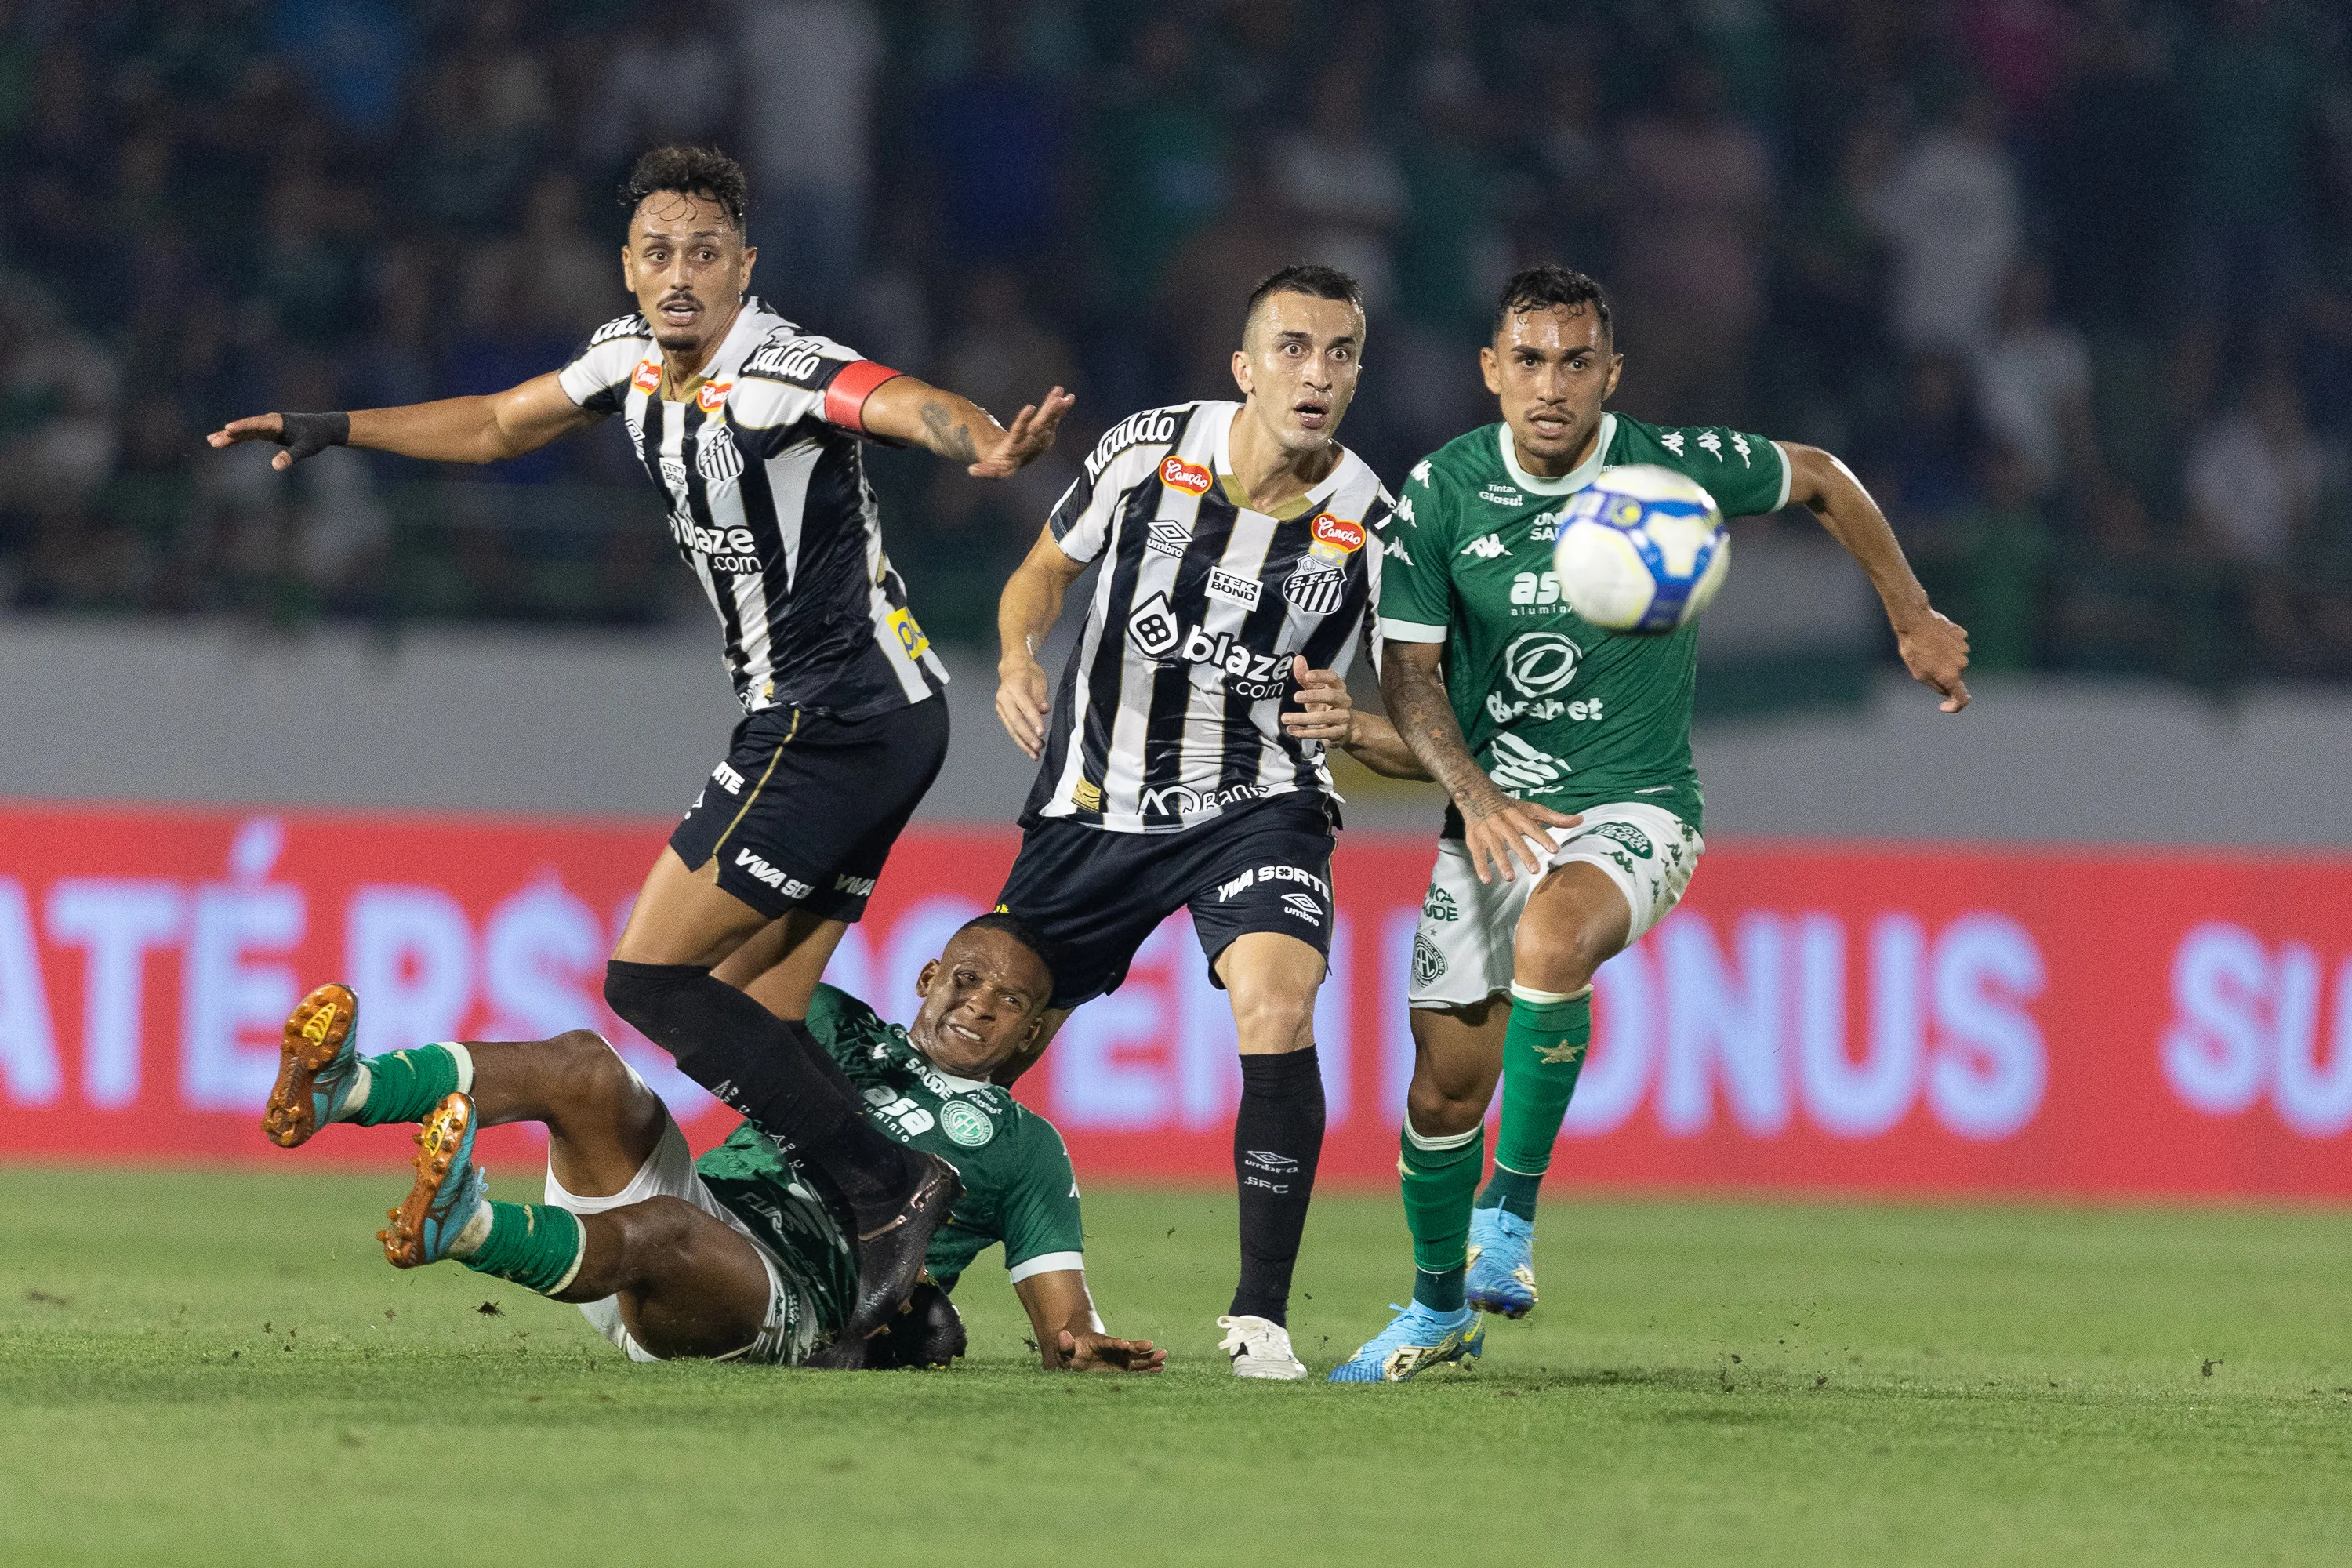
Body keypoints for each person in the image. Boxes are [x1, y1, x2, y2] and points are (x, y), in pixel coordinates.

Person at [210, 146, 1075, 1345]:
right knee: (758, 1012)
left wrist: (979, 438)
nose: (681, 276)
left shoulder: (778, 369)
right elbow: (501, 424)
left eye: (705, 254)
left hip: (834, 717)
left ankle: (886, 1188)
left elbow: (896, 399)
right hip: (878, 719)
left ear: (743, 269)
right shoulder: (624, 359)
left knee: (643, 979)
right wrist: (335, 427)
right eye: (660, 254)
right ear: (629, 267)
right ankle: (867, 1217)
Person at [1330, 265, 1971, 1383]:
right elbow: (1412, 681)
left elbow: (1820, 476)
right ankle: (1437, 1312)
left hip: (1636, 806)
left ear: (1611, 374)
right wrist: (1475, 801)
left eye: (1577, 362)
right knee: (1442, 1089)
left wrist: (1910, 613)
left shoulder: (1666, 468)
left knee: (1554, 939)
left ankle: (1511, 1225)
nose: (1551, 384)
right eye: (1528, 360)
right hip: (1494, 814)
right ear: (1490, 371)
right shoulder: (1439, 496)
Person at [992, 263, 1424, 1381]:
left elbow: (1429, 733)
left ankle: (1259, 1319)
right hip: (1094, 797)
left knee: (1278, 1003)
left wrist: (1360, 724)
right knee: (982, 1046)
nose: (1316, 373)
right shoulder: (1146, 450)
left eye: (1339, 354)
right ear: (1244, 368)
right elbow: (1040, 573)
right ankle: (878, 1265)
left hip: (1259, 803)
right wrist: (1013, 652)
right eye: (1292, 347)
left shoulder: (1376, 522)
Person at [262, 913, 1162, 1374]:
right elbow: (705, 980)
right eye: (965, 978)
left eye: (1008, 1000)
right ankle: (350, 1087)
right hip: (703, 1206)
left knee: (663, 1225)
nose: (978, 1002)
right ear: (928, 977)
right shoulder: (831, 1021)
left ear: (1035, 1032)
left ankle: (463, 1226)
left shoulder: (1025, 1146)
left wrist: (1085, 1343)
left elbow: (1064, 1325)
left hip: (783, 1295)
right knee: (583, 1063)